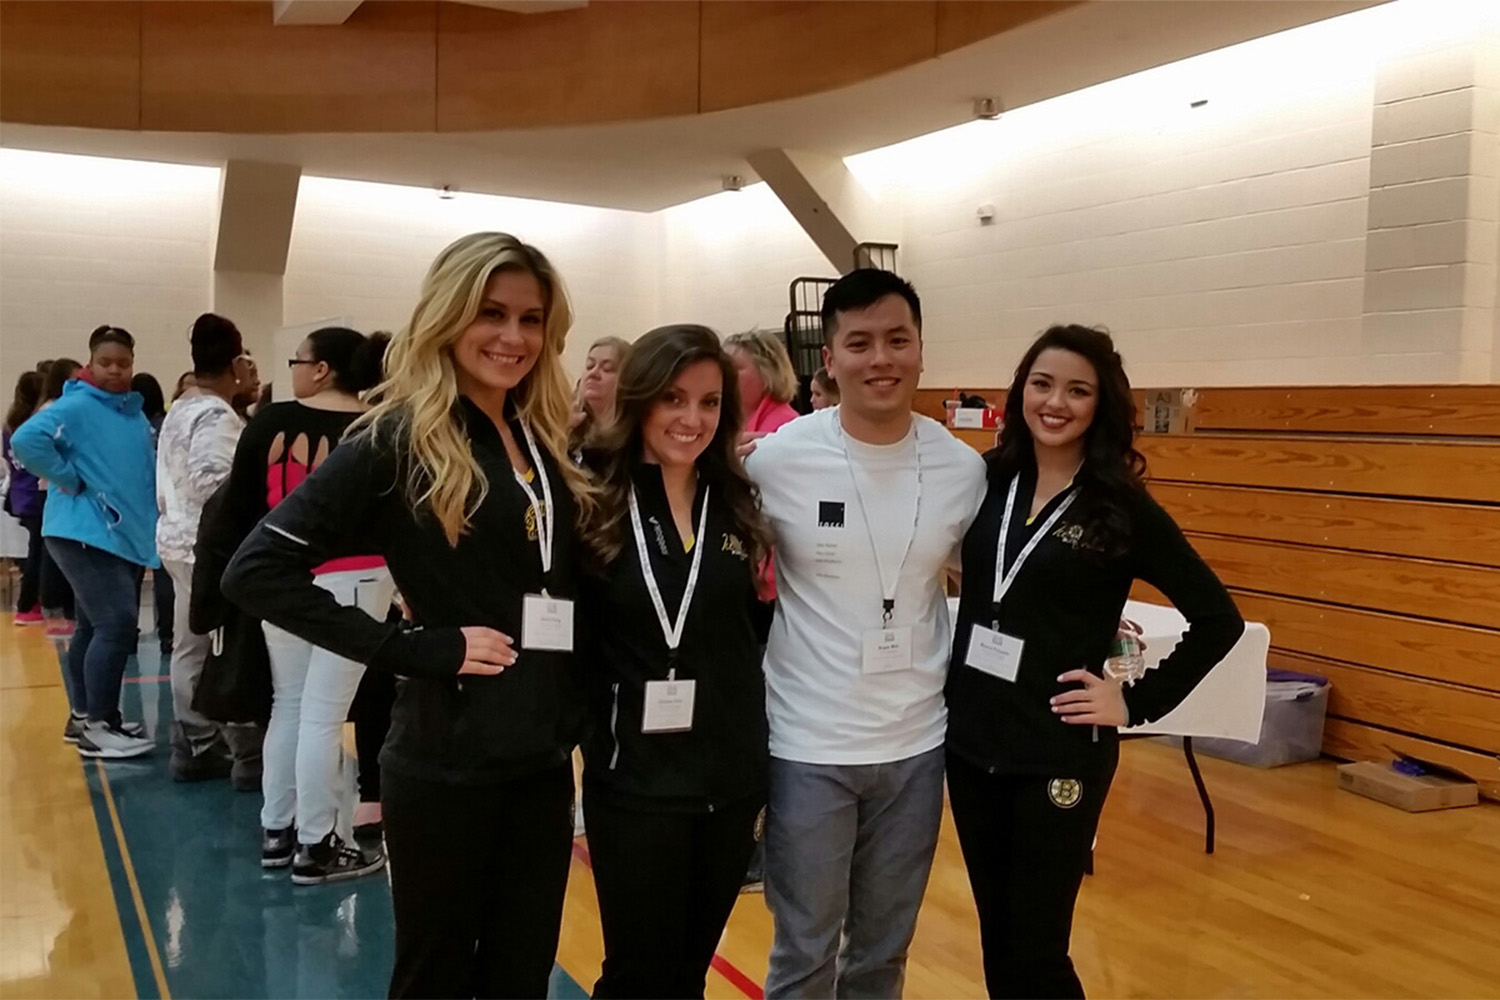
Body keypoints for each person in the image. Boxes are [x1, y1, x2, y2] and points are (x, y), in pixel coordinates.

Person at [223, 232, 594, 997]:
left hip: (541, 760)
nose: (513, 337)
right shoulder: (397, 437)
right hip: (446, 760)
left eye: (531, 319)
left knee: (519, 974)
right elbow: (256, 569)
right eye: (492, 313)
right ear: (448, 316)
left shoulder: (538, 434)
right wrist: (410, 648)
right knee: (435, 978)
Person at [945, 325, 1243, 999]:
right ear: (1020, 390)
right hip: (971, 746)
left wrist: (1135, 703)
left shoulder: (1121, 507)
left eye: (1077, 390)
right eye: (1042, 384)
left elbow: (1218, 619)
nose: (1055, 402)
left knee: (1038, 951)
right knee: (999, 943)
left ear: (1100, 404)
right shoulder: (987, 480)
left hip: (1059, 752)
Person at [744, 269, 987, 999]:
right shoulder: (775, 461)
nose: (880, 358)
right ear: (830, 359)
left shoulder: (962, 469)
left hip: (916, 747)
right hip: (806, 747)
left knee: (882, 955)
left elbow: (996, 589)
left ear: (919, 350)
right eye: (859, 343)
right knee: (804, 954)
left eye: (896, 340)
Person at [578, 324, 772, 998]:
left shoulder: (738, 500)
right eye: (673, 399)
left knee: (689, 970)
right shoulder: (592, 495)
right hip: (634, 778)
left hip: (730, 774)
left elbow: (749, 629)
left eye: (710, 403)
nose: (692, 420)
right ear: (639, 401)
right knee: (636, 972)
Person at [219, 326, 393, 880]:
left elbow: (238, 503)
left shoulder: (269, 422)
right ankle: (317, 846)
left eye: (299, 359)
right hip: (358, 577)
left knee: (290, 706)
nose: (292, 369)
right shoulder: (375, 429)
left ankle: (278, 830)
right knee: (323, 713)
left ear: (324, 369)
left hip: (283, 581)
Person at [12, 326, 159, 758]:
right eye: (106, 363)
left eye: (124, 363)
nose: (115, 370)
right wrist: (68, 478)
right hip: (83, 531)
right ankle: (97, 724)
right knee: (116, 622)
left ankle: (88, 717)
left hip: (113, 535)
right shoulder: (76, 403)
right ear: (90, 363)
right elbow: (26, 440)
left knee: (94, 626)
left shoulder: (128, 411)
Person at [157, 313, 260, 781]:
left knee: (189, 645)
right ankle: (233, 746)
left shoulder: (181, 406)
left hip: (176, 539)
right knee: (221, 647)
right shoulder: (217, 415)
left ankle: (194, 741)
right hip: (207, 547)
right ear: (236, 362)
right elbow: (211, 479)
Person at [33, 359, 81, 637]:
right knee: (52, 551)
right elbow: (35, 448)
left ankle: (63, 606)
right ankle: (52, 609)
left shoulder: (68, 407)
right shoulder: (52, 409)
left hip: (62, 489)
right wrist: (63, 474)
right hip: (52, 489)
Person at [132, 373, 173, 654]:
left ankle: (127, 634)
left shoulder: (131, 428)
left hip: (134, 508)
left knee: (131, 574)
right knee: (163, 573)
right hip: (165, 506)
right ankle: (168, 634)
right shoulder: (168, 427)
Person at [5, 371, 46, 624]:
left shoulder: (10, 424)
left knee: (36, 551)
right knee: (38, 553)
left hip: (21, 492)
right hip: (34, 493)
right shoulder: (35, 425)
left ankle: (33, 601)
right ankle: (28, 604)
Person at [725, 329, 800, 438]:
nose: (723, 374)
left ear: (767, 374)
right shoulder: (724, 422)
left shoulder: (787, 427)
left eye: (734, 368)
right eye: (721, 367)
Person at [571, 335, 631, 449]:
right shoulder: (566, 428)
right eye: (590, 366)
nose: (593, 373)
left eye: (607, 368)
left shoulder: (636, 438)